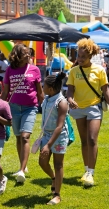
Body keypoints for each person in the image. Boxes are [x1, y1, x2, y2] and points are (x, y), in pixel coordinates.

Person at [67, 38, 109, 187]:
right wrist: (70, 99)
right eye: (79, 56)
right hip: (78, 108)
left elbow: (106, 90)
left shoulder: (99, 70)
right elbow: (70, 90)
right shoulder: (73, 71)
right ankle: (86, 169)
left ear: (90, 56)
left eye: (83, 57)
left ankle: (91, 173)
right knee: (84, 141)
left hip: (94, 107)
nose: (80, 59)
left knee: (91, 139)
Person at [1, 44, 44, 183]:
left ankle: (21, 170)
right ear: (18, 55)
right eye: (25, 53)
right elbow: (6, 92)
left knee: (25, 136)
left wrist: (46, 106)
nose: (28, 55)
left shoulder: (35, 69)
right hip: (13, 107)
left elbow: (40, 91)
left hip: (30, 108)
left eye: (29, 53)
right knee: (19, 137)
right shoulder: (9, 70)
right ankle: (23, 166)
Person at [39, 72, 68, 205]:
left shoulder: (61, 102)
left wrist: (48, 145)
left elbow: (59, 127)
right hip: (47, 135)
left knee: (58, 164)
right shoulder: (47, 98)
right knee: (42, 162)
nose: (42, 87)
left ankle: (57, 194)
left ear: (51, 88)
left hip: (59, 136)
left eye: (43, 85)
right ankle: (54, 178)